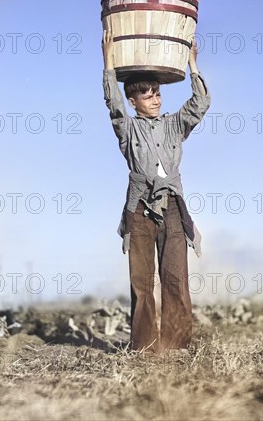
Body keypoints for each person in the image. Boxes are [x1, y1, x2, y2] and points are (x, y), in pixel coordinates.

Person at [102, 29, 211, 353]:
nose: (156, 99)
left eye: (158, 94)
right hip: (138, 209)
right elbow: (113, 103)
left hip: (173, 207)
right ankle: (145, 347)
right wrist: (108, 61)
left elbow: (201, 102)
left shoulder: (175, 124)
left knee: (176, 278)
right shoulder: (127, 128)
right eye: (148, 96)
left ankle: (177, 345)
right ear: (134, 101)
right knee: (142, 282)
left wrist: (192, 63)